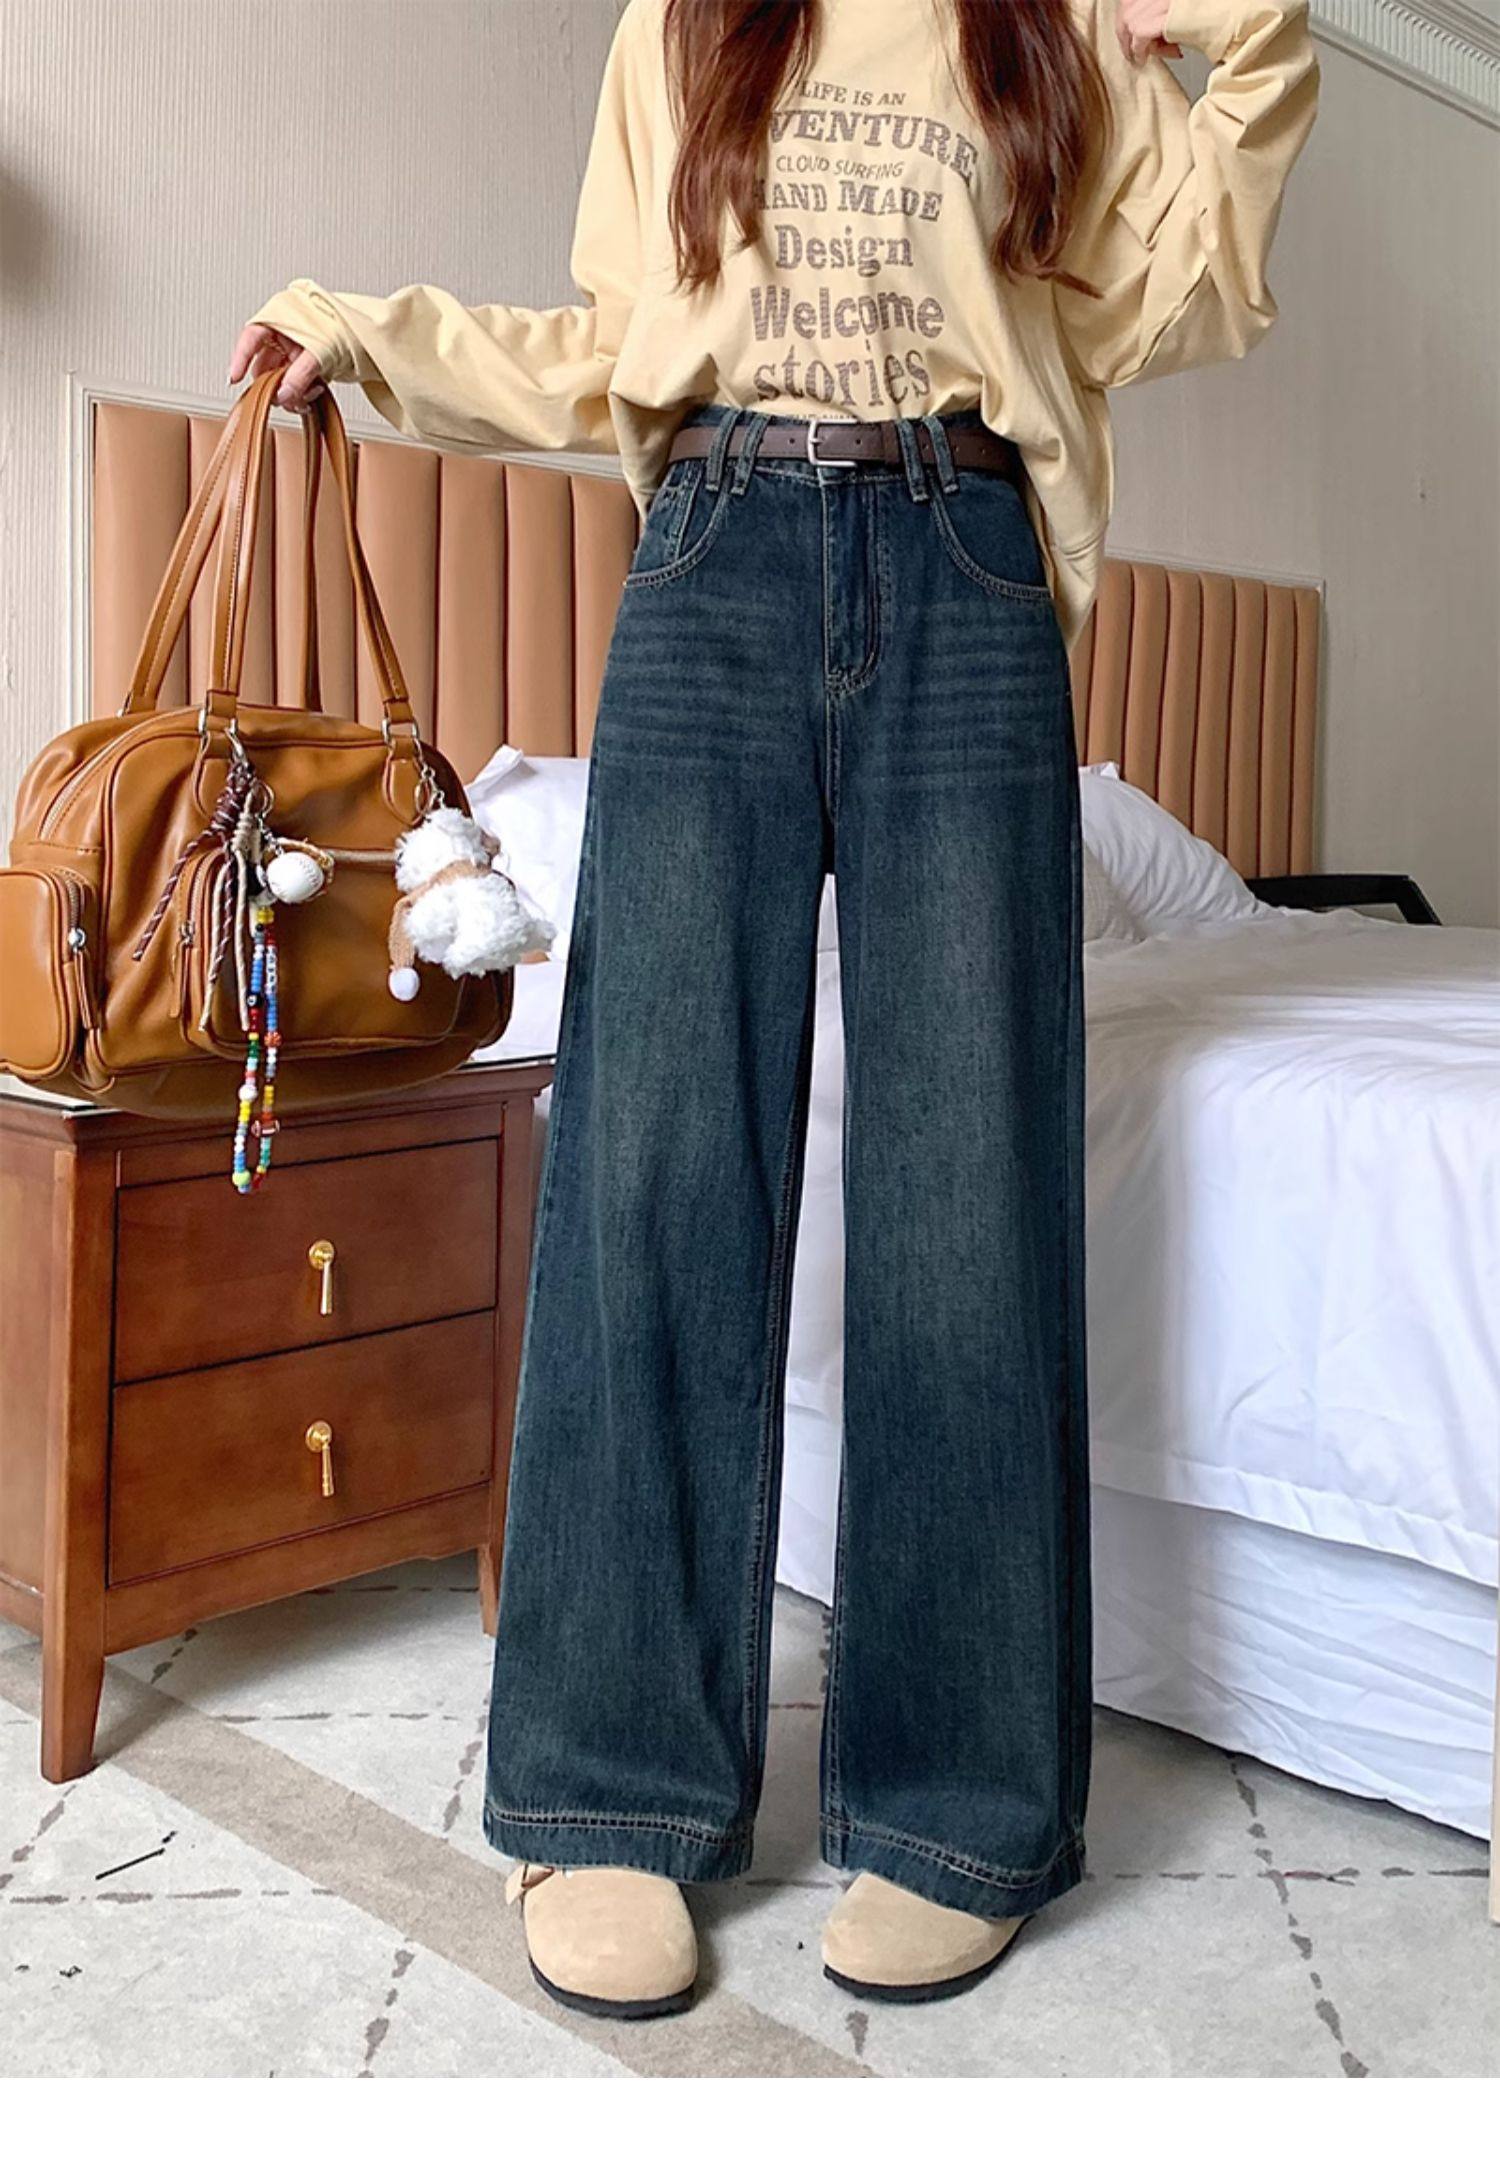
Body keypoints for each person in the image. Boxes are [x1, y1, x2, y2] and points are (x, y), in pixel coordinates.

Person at [234, 0, 1319, 2018]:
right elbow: (614, 343)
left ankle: (957, 1809)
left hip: (970, 566)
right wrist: (371, 337)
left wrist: (1252, 43)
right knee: (651, 1165)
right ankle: (609, 1785)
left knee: (967, 1187)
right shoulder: (692, 26)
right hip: (715, 557)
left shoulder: (1051, 34)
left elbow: (1184, 299)